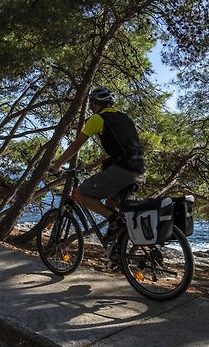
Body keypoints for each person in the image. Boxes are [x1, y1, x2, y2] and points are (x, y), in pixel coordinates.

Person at [50, 87, 146, 239]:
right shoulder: (124, 118)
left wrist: (57, 165)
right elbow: (118, 147)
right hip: (139, 170)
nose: (91, 107)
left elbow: (76, 145)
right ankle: (117, 251)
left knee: (81, 194)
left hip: (123, 169)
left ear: (95, 104)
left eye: (92, 104)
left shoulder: (98, 118)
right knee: (110, 204)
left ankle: (115, 220)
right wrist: (94, 165)